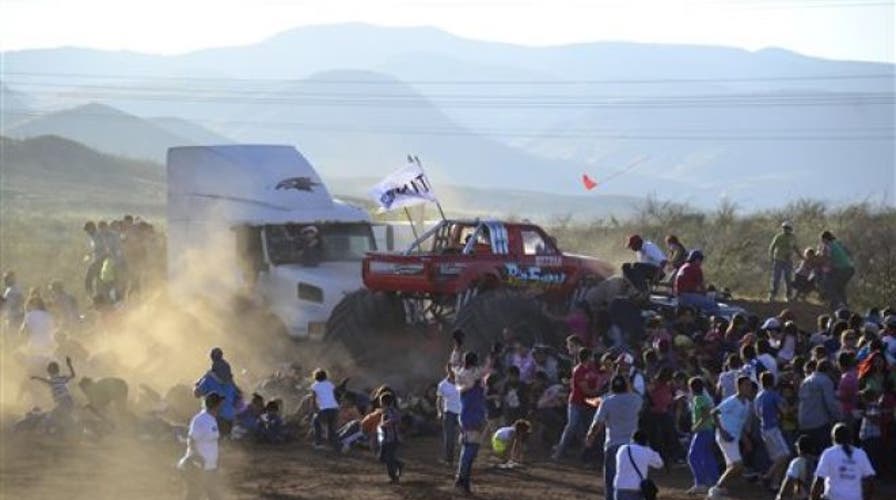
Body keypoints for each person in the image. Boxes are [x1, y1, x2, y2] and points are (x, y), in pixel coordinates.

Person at [586, 374, 644, 500]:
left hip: (613, 445)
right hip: (632, 445)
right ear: (627, 386)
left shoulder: (608, 402)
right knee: (633, 480)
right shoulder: (636, 399)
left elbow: (597, 423)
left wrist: (590, 436)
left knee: (611, 481)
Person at [449, 329, 490, 495]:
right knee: (470, 450)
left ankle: (462, 479)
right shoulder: (472, 374)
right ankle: (462, 480)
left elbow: (454, 365)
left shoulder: (462, 373)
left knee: (468, 449)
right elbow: (485, 370)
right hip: (473, 415)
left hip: (468, 414)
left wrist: (457, 347)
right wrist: (493, 355)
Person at [708, 375, 755, 499]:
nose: (749, 387)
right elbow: (713, 413)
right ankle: (716, 490)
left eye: (749, 385)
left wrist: (745, 440)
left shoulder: (747, 404)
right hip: (726, 436)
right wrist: (722, 431)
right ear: (738, 387)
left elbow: (740, 424)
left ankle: (720, 488)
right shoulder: (732, 401)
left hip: (734, 438)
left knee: (735, 468)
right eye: (746, 385)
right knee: (737, 465)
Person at [552, 347, 598, 461]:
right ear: (588, 357)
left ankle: (584, 455)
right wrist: (600, 392)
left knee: (587, 430)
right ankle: (559, 453)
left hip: (588, 403)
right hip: (577, 403)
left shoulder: (592, 368)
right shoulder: (578, 370)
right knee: (572, 427)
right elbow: (585, 390)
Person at [809, 423, 875, 500]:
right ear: (850, 438)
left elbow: (819, 480)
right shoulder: (860, 454)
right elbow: (870, 480)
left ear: (833, 438)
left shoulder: (829, 453)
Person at [179, 392, 223, 500]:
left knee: (212, 494)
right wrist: (195, 458)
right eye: (220, 404)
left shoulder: (211, 419)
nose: (221, 406)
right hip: (198, 467)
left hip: (209, 466)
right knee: (194, 495)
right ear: (215, 405)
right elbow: (191, 439)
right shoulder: (200, 419)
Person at [756, 372, 792, 491]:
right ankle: (767, 476)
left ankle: (775, 484)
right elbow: (785, 412)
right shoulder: (773, 395)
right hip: (773, 428)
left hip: (763, 428)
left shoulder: (759, 396)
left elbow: (756, 413)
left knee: (778, 458)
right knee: (785, 454)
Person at [798, 360, 842, 451]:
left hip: (804, 422)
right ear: (829, 371)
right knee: (823, 451)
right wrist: (839, 417)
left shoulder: (806, 380)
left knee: (809, 452)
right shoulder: (825, 381)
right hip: (819, 423)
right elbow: (830, 403)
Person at [687, 377, 719, 495]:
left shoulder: (698, 399)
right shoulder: (704, 398)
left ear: (691, 388)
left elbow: (705, 413)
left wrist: (696, 426)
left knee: (693, 456)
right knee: (707, 456)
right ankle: (715, 482)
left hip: (702, 430)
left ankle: (700, 483)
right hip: (709, 430)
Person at [614, 429, 664, 500]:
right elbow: (660, 464)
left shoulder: (622, 449)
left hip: (620, 486)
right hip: (636, 488)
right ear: (646, 441)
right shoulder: (647, 451)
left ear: (632, 439)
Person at [30, 357, 76, 426]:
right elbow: (73, 375)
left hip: (64, 401)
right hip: (66, 401)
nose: (51, 372)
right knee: (60, 417)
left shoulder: (57, 379)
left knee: (52, 417)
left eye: (52, 370)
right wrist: (69, 365)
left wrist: (70, 365)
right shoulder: (59, 379)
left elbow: (73, 375)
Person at [674, 250, 719, 315]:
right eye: (700, 260)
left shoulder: (683, 266)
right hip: (687, 296)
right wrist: (708, 295)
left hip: (679, 297)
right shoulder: (695, 268)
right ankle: (709, 322)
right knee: (713, 305)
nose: (701, 262)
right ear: (697, 259)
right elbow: (702, 287)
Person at [818, 231, 854, 309]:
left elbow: (826, 259)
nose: (822, 242)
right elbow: (849, 252)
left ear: (825, 239)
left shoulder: (828, 246)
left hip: (842, 269)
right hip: (850, 268)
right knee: (840, 287)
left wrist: (821, 261)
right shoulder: (838, 243)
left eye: (822, 240)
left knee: (828, 284)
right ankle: (844, 305)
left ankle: (837, 304)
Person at [768, 221, 800, 302]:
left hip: (788, 261)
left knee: (788, 279)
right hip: (778, 259)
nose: (786, 230)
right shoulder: (779, 237)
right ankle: (772, 295)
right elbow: (772, 247)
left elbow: (795, 247)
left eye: (787, 228)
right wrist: (771, 257)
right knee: (776, 278)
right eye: (784, 228)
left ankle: (788, 296)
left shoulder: (793, 237)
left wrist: (801, 256)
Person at [436, 363, 462, 465]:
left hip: (461, 412)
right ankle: (449, 459)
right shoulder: (442, 385)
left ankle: (463, 458)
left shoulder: (462, 382)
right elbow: (439, 399)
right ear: (447, 370)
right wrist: (439, 411)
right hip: (449, 412)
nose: (453, 371)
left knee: (464, 436)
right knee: (449, 437)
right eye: (450, 369)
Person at [776, 435, 815, 500]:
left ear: (799, 449)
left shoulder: (797, 462)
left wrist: (780, 496)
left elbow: (789, 480)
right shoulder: (818, 461)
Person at [377, 392, 404, 483]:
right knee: (382, 458)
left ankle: (393, 477)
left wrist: (385, 423)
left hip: (392, 438)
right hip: (385, 439)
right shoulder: (385, 411)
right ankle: (399, 464)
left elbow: (396, 420)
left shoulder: (391, 411)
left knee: (388, 458)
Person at [310, 368, 339, 450]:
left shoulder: (314, 386)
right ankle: (333, 445)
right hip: (334, 409)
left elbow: (313, 399)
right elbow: (335, 395)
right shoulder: (330, 384)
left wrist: (314, 410)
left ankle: (318, 443)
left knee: (316, 422)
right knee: (331, 427)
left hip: (324, 409)